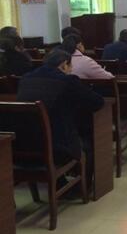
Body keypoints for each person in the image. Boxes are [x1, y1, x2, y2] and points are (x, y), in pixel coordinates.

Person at [16, 50, 104, 178]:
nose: (71, 69)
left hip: (25, 145)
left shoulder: (26, 78)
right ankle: (81, 186)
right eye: (70, 66)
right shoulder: (68, 80)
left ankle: (60, 181)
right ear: (64, 65)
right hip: (57, 148)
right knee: (88, 144)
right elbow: (97, 102)